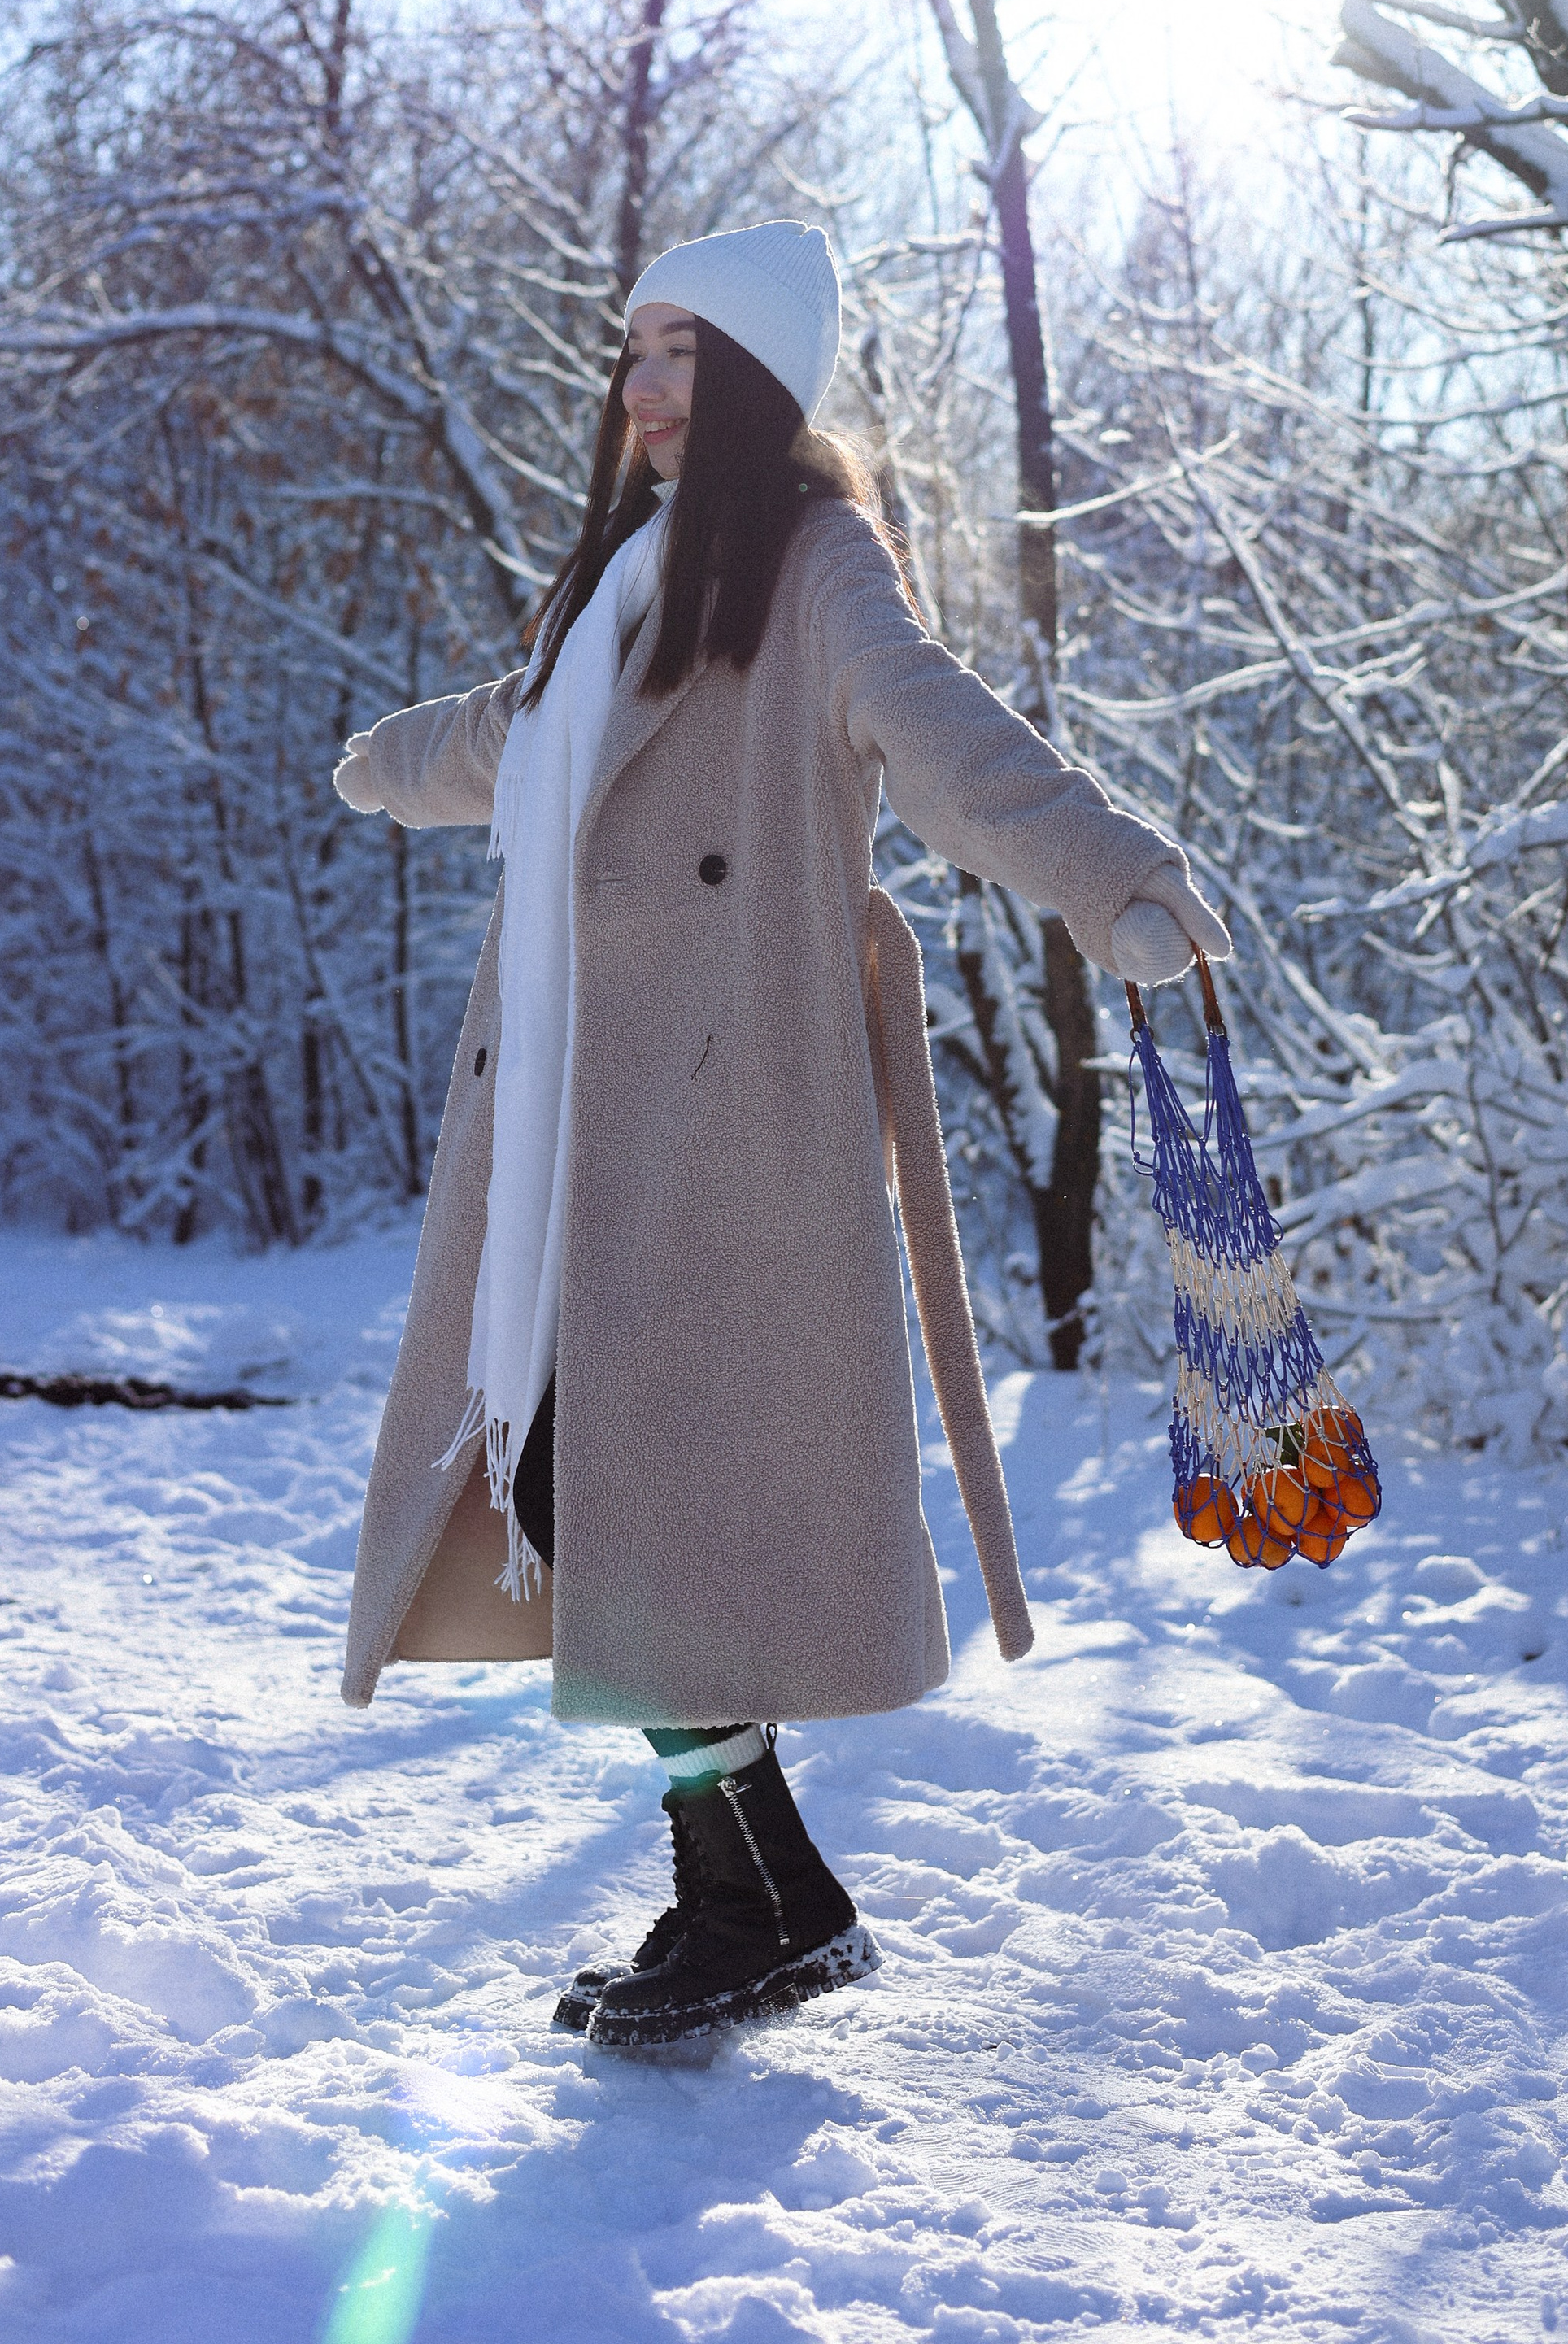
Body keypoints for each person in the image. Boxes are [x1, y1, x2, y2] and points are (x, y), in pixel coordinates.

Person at [331, 219, 1228, 2048]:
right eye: (632, 352)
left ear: (752, 381)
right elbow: (517, 740)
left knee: (610, 1498)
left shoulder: (812, 561)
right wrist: (378, 758)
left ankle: (769, 1899)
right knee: (591, 1498)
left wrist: (1109, 880)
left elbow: (937, 728)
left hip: (721, 1124)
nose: (644, 387)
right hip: (581, 1132)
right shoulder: (621, 583)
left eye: (681, 353)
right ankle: (747, 1901)